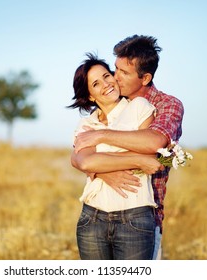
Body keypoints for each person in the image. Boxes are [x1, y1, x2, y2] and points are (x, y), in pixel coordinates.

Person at [72, 35, 184, 259]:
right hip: (94, 214)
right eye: (114, 69)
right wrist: (107, 172)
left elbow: (153, 144)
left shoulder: (161, 105)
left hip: (140, 213)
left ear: (144, 78)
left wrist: (100, 137)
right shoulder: (91, 120)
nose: (113, 78)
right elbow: (80, 159)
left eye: (122, 73)